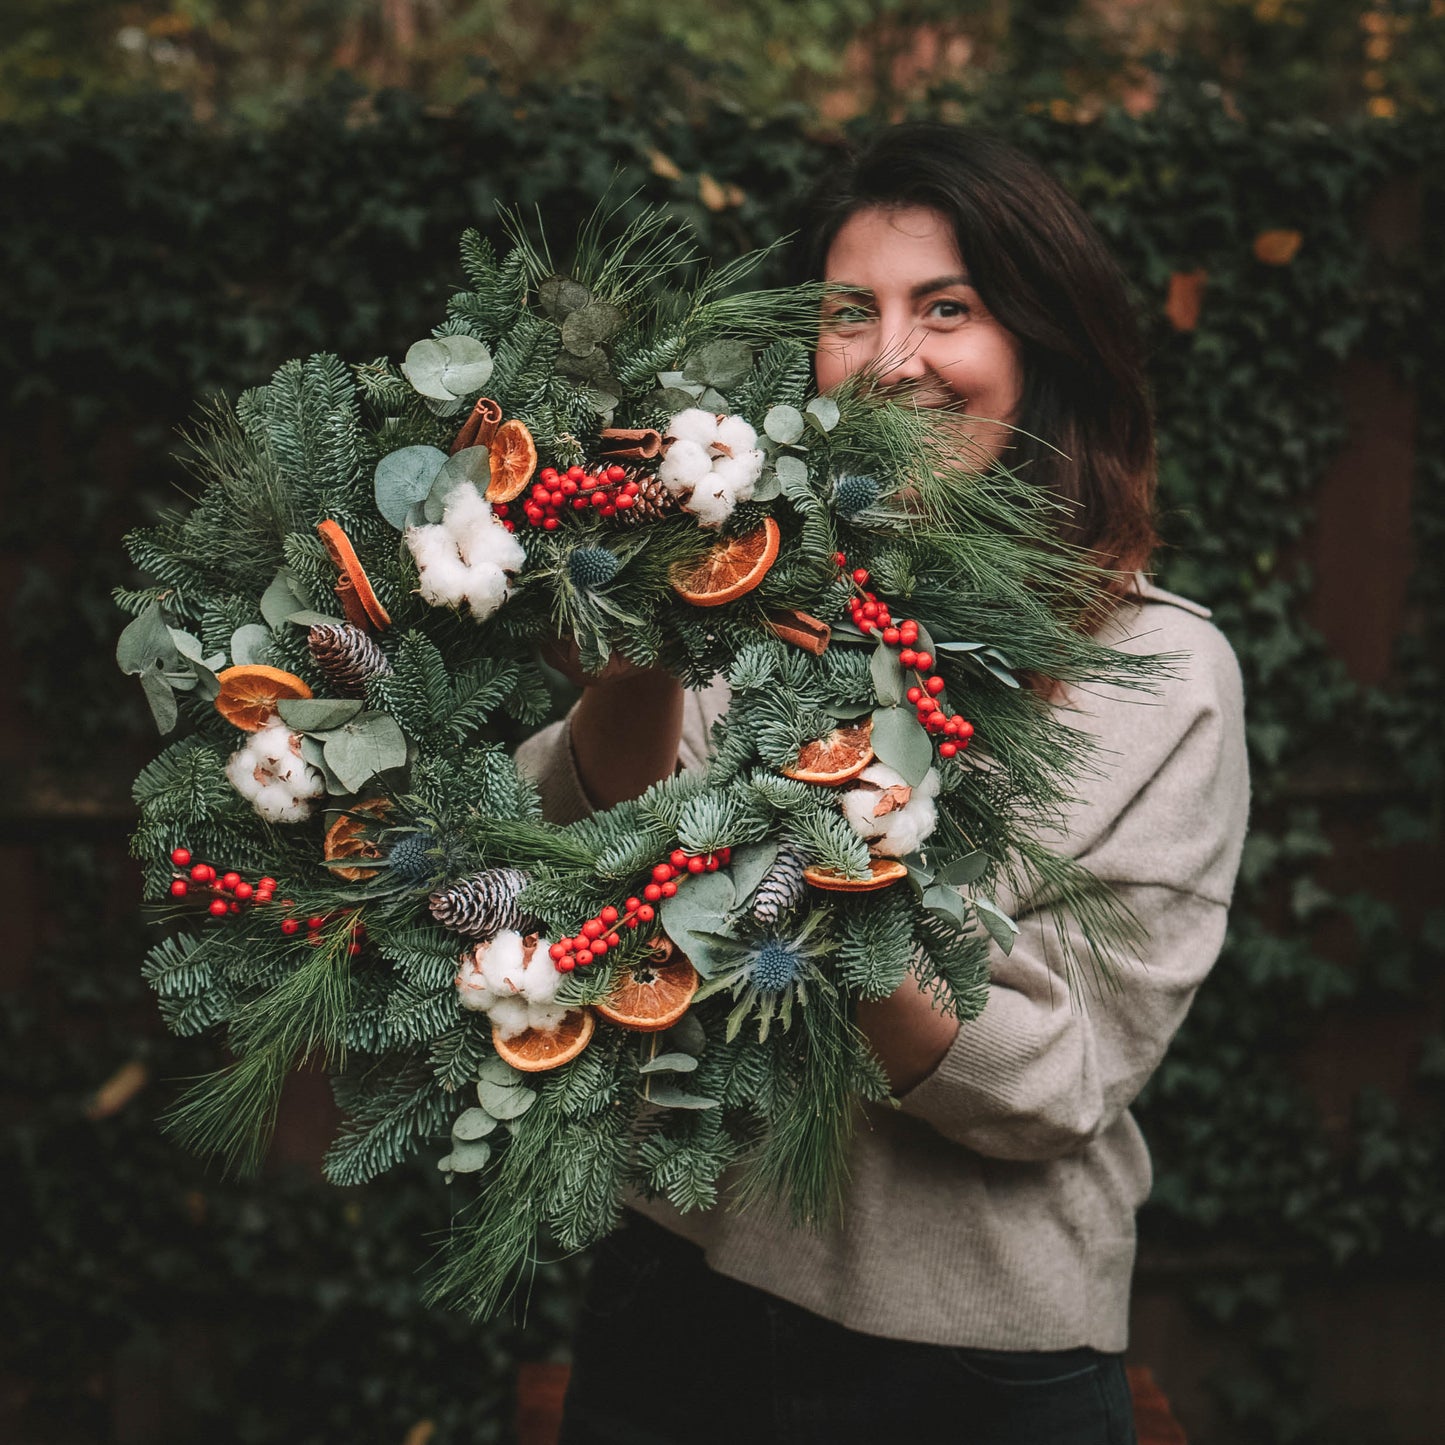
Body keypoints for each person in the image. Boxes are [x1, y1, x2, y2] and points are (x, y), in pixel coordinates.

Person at [516, 123, 1250, 1445]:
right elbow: (576, 870)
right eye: (851, 311)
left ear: (1040, 345)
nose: (893, 357)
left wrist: (835, 889)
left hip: (968, 1363)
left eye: (947, 309)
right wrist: (639, 667)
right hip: (679, 1295)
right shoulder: (747, 584)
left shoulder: (1164, 673)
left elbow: (1058, 1080)